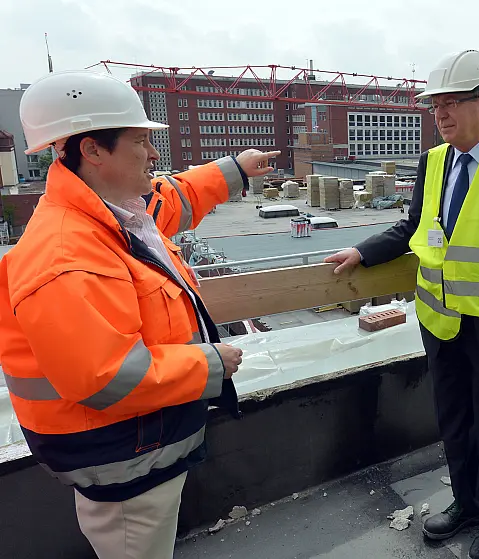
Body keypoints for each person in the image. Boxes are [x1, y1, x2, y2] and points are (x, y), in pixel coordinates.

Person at [0, 70, 280, 559]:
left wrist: (235, 168)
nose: (153, 155)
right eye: (140, 141)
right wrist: (212, 365)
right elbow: (105, 376)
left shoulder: (110, 214)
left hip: (134, 446)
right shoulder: (68, 255)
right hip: (121, 459)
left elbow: (172, 199)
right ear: (91, 150)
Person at [325, 49, 479, 559]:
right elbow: (414, 227)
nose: (442, 114)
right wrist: (364, 252)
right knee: (453, 419)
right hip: (439, 318)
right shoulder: (433, 162)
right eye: (435, 106)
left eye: (452, 102)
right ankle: (467, 503)